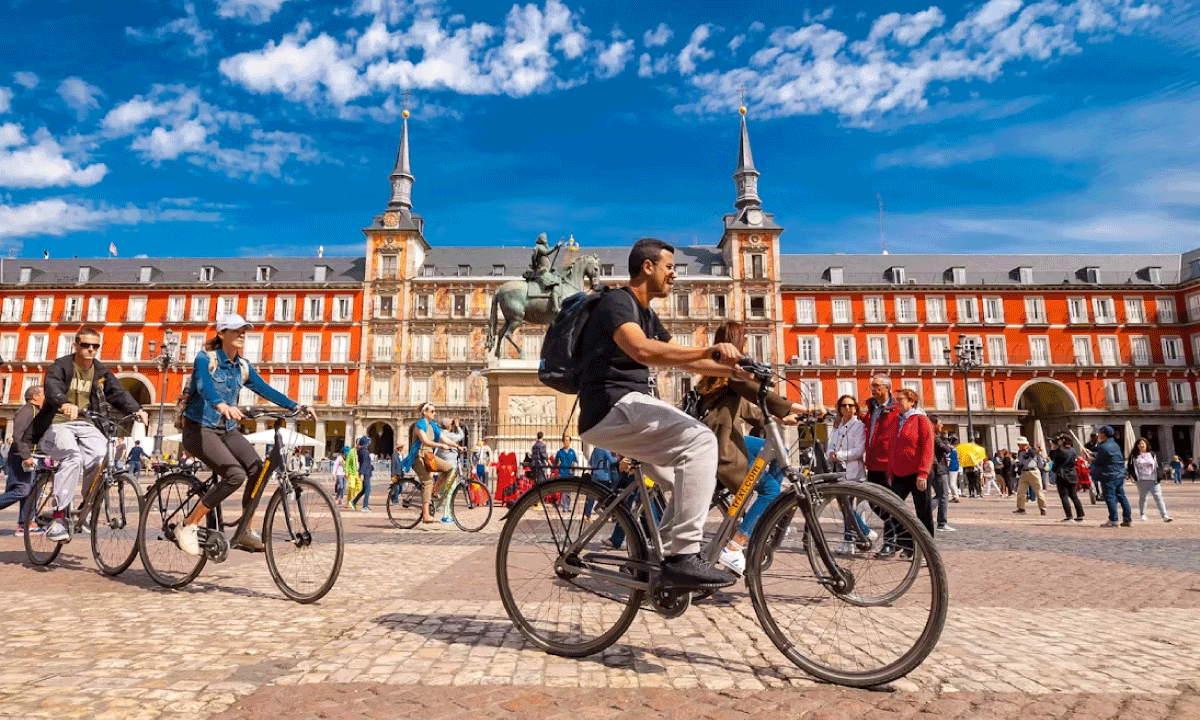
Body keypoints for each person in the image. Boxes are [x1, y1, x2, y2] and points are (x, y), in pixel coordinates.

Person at [576, 237, 745, 589]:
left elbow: (681, 355)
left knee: (682, 479)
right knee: (701, 440)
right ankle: (682, 557)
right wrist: (709, 349)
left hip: (628, 409)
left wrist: (738, 371)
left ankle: (654, 561)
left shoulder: (647, 314)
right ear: (648, 267)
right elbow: (641, 350)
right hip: (612, 406)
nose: (674, 276)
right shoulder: (616, 302)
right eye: (670, 267)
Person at [174, 314, 314, 556]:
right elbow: (202, 385)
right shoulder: (205, 358)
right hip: (199, 429)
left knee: (257, 470)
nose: (241, 334)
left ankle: (245, 530)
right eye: (236, 330)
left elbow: (264, 388)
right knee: (235, 475)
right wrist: (220, 404)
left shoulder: (242, 366)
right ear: (221, 334)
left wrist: (295, 406)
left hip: (226, 430)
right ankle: (189, 524)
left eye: (244, 331)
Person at [693, 321, 807, 575]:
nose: (745, 348)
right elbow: (759, 395)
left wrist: (777, 418)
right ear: (737, 344)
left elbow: (744, 408)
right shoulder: (730, 373)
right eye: (743, 342)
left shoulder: (718, 375)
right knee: (771, 489)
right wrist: (799, 408)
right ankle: (736, 545)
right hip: (721, 447)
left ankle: (763, 516)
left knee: (780, 452)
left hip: (725, 437)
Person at [30, 327, 148, 543]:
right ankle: (57, 518)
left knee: (105, 456)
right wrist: (64, 403)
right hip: (57, 423)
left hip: (86, 423)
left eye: (95, 346)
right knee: (72, 456)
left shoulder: (100, 370)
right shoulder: (62, 365)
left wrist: (136, 409)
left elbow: (117, 392)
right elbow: (51, 384)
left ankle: (87, 507)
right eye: (85, 345)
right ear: (76, 346)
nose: (91, 349)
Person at [881, 388, 935, 552]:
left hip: (918, 474)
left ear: (912, 401)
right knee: (893, 509)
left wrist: (923, 473)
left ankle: (928, 550)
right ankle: (907, 544)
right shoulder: (897, 421)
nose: (897, 403)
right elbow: (892, 448)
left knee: (923, 513)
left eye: (901, 400)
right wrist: (890, 471)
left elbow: (928, 447)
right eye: (896, 400)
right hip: (899, 474)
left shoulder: (921, 420)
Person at [406, 403, 464, 524]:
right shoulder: (419, 425)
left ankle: (434, 490)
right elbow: (425, 441)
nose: (434, 413)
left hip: (429, 456)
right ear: (425, 412)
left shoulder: (433, 426)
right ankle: (426, 515)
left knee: (449, 469)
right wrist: (441, 445)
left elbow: (444, 438)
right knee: (427, 481)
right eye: (432, 411)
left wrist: (457, 446)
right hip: (418, 456)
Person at [1, 385, 44, 535]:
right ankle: (25, 522)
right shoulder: (27, 410)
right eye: (43, 394)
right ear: (35, 396)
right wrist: (26, 456)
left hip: (35, 457)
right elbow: (18, 435)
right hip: (22, 457)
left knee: (33, 491)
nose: (45, 397)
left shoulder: (37, 412)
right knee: (22, 489)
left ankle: (25, 524)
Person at [1091, 425, 1132, 527]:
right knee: (1122, 497)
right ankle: (1127, 519)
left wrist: (1091, 459)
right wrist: (1093, 454)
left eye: (1099, 433)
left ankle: (1113, 520)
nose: (1098, 435)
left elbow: (1098, 462)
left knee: (1110, 497)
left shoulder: (1103, 446)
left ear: (1103, 435)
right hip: (1119, 474)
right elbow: (1109, 457)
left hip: (1108, 475)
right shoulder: (1114, 444)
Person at [863, 374, 898, 489]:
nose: (872, 389)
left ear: (887, 387)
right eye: (872, 386)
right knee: (873, 503)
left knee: (888, 502)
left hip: (888, 464)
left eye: (876, 385)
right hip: (872, 464)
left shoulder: (897, 409)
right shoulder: (872, 408)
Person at [1126, 438, 1172, 522]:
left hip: (1153, 479)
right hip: (1141, 480)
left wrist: (1159, 475)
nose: (1141, 445)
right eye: (1139, 444)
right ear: (1137, 446)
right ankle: (1143, 514)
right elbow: (1130, 467)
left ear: (1147, 445)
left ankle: (1165, 516)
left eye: (1143, 443)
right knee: (1143, 498)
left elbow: (1157, 466)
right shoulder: (1134, 456)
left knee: (1158, 497)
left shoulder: (1152, 454)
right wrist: (1133, 476)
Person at [928, 417, 954, 532]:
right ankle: (942, 522)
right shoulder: (934, 436)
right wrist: (948, 446)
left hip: (935, 469)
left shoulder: (931, 435)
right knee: (943, 496)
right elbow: (946, 449)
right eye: (940, 423)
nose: (942, 425)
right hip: (939, 469)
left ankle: (940, 521)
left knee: (941, 495)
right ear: (934, 424)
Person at [1050, 435, 1084, 522]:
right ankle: (1080, 515)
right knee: (1074, 496)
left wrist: (1052, 448)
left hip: (1062, 476)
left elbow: (1052, 458)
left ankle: (1069, 516)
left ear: (1063, 441)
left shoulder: (1059, 450)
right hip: (1072, 475)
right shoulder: (1072, 450)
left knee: (1064, 496)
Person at [1012, 437, 1047, 515]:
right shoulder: (1020, 452)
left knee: (1038, 491)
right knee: (1021, 491)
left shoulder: (1030, 450)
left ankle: (1043, 508)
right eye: (1019, 444)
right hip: (1024, 472)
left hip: (1033, 471)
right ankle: (1021, 508)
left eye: (1021, 444)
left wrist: (1038, 449)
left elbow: (1034, 452)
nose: (1019, 446)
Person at [351, 437, 374, 512]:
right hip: (366, 472)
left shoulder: (361, 451)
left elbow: (365, 462)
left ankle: (354, 502)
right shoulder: (364, 451)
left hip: (366, 471)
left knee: (364, 490)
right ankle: (365, 506)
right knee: (367, 490)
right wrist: (362, 473)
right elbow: (364, 462)